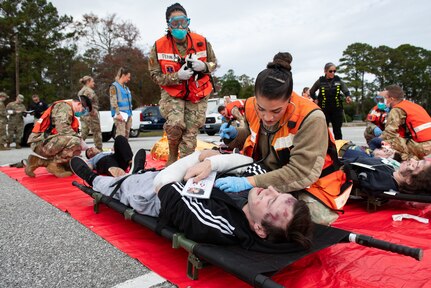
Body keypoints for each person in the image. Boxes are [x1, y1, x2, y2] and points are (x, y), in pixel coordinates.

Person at [211, 52, 352, 225]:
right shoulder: (250, 106)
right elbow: (251, 137)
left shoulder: (311, 117)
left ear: (289, 100)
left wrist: (249, 183)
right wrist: (233, 136)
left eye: (276, 111)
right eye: (261, 109)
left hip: (313, 182)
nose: (267, 117)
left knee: (298, 221)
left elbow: (302, 172)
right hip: (268, 172)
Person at [70, 150, 314, 250]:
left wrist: (201, 157)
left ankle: (93, 178)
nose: (269, 190)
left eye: (271, 202)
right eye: (278, 193)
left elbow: (164, 185)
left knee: (122, 186)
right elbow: (247, 162)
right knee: (149, 174)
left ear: (259, 229)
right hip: (179, 176)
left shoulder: (217, 224)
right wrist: (214, 161)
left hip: (155, 197)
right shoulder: (257, 189)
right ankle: (136, 169)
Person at [148, 3, 217, 166]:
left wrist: (204, 66)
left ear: (188, 22)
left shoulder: (201, 41)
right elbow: (154, 75)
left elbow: (213, 63)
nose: (180, 26)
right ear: (168, 26)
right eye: (175, 22)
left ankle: (184, 167)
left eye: (183, 21)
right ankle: (172, 155)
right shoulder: (158, 46)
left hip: (198, 92)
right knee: (175, 124)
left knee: (190, 135)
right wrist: (176, 76)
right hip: (173, 92)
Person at [25, 95, 92, 178]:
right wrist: (80, 141)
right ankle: (54, 165)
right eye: (83, 110)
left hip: (47, 141)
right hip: (40, 142)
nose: (82, 113)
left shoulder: (68, 109)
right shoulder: (64, 107)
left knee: (74, 151)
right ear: (79, 104)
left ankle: (37, 161)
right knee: (75, 142)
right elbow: (62, 128)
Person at [378, 84, 431, 161]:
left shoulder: (397, 109)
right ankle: (414, 158)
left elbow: (389, 132)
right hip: (426, 144)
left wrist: (376, 141)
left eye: (383, 99)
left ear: (391, 99)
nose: (380, 102)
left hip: (420, 145)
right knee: (398, 140)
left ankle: (405, 161)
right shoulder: (412, 105)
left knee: (386, 143)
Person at [343, 155, 431, 195]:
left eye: (415, 165)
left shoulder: (380, 182)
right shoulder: (390, 170)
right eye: (417, 160)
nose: (411, 159)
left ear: (410, 181)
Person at [309, 62, 352, 140]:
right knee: (324, 130)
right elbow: (312, 91)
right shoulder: (320, 81)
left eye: (334, 71)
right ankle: (326, 148)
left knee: (337, 130)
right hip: (324, 108)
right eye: (330, 71)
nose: (333, 73)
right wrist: (315, 99)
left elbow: (345, 90)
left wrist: (348, 96)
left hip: (336, 108)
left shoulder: (338, 80)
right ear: (325, 71)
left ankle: (339, 148)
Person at [78, 76, 102, 150]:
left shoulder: (81, 91)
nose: (93, 83)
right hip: (91, 114)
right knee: (97, 132)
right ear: (88, 82)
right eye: (92, 81)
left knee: (84, 133)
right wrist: (92, 111)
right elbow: (87, 103)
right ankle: (99, 149)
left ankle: (75, 148)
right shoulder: (88, 91)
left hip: (83, 114)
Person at [109, 67, 133, 139]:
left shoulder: (126, 88)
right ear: (123, 75)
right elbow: (113, 101)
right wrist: (118, 113)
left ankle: (124, 150)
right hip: (120, 115)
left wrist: (130, 115)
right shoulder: (114, 87)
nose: (129, 79)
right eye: (128, 77)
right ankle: (117, 150)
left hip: (128, 114)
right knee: (120, 135)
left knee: (126, 135)